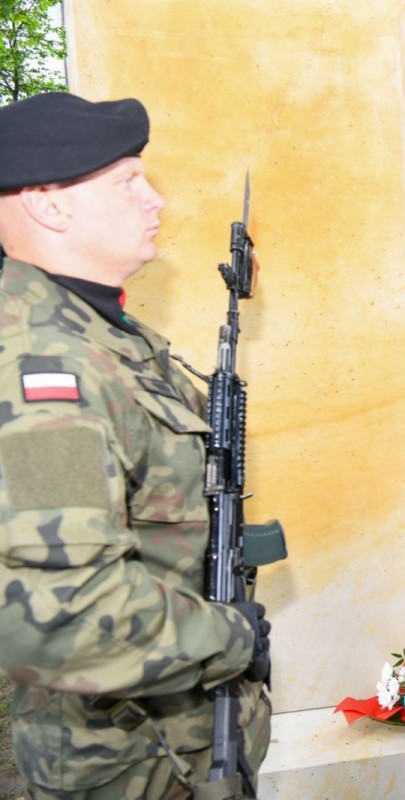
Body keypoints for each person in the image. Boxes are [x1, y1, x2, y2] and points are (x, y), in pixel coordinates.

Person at [0, 93, 272, 798]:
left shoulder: (105, 336)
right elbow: (61, 613)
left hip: (169, 747)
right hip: (128, 765)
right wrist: (229, 637)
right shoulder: (42, 370)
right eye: (126, 180)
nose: (154, 199)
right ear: (48, 205)